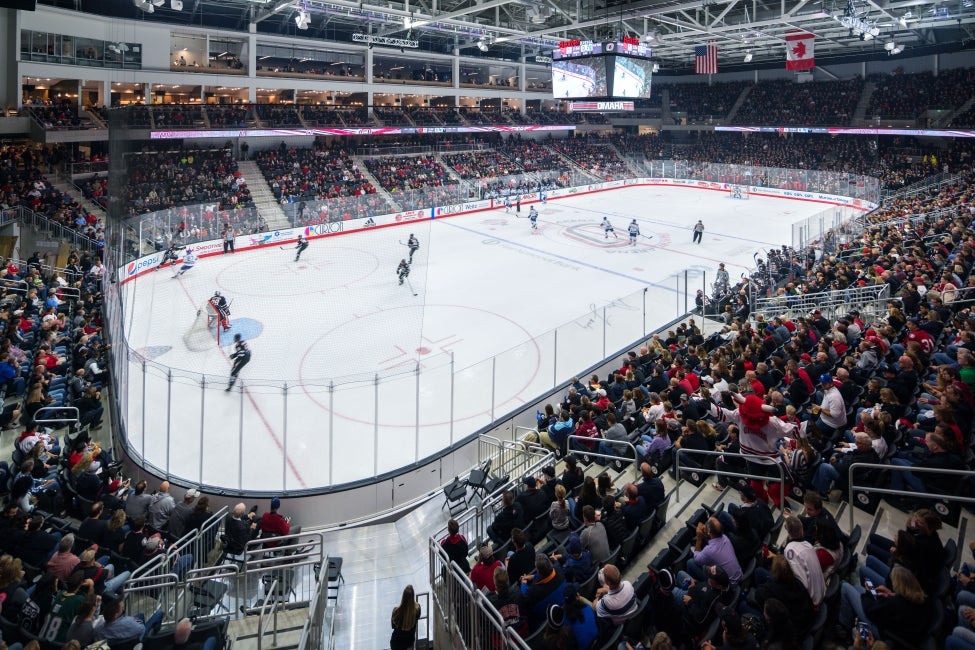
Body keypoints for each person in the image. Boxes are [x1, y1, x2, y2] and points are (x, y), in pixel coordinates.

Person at [390, 584, 421, 650]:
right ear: (413, 596)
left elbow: (393, 626)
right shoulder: (417, 610)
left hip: (396, 643)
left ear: (403, 596)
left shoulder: (395, 612)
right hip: (409, 644)